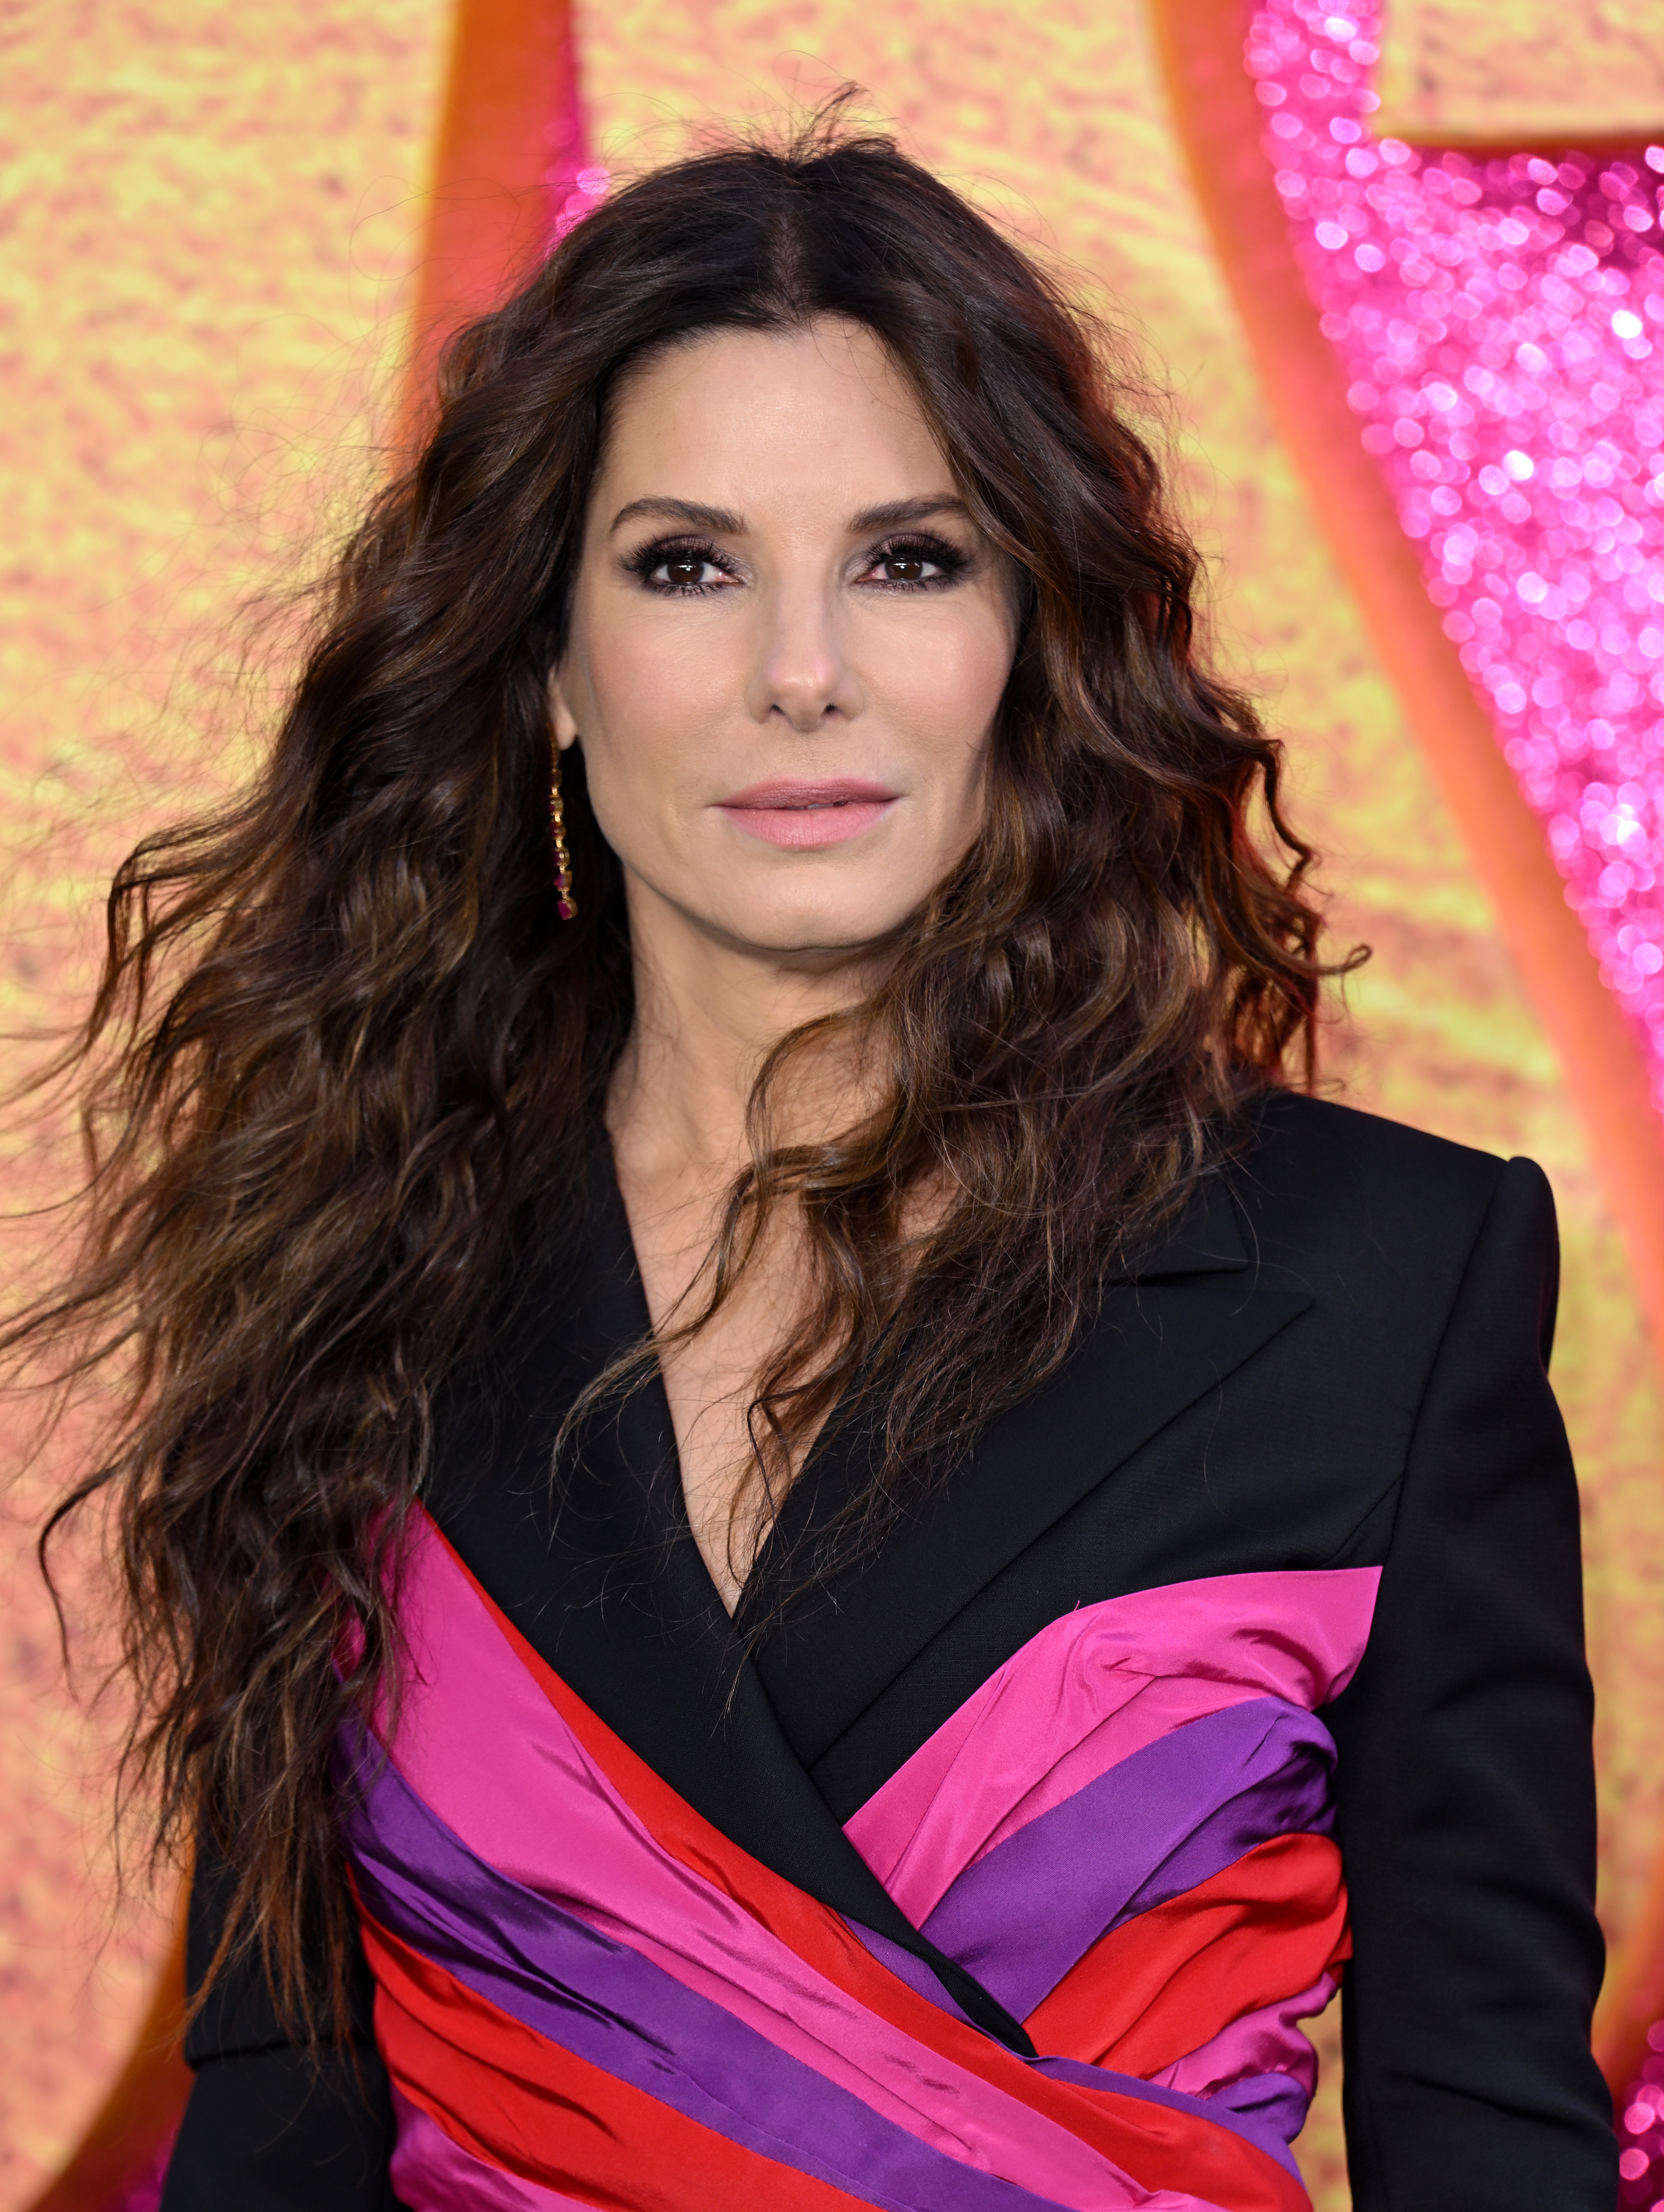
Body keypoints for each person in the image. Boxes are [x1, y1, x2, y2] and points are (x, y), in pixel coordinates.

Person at [25, 107, 1613, 2211]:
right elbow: (275, 2128)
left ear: (1030, 642)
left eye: (910, 561)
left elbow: (1491, 2141)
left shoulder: (1392, 1277)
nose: (803, 677)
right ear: (550, 672)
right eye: (689, 567)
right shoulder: (350, 1266)